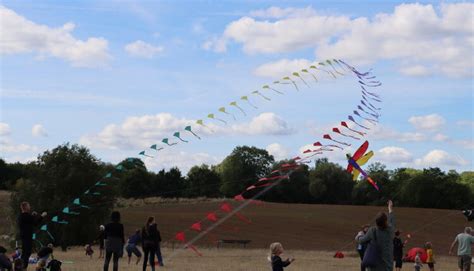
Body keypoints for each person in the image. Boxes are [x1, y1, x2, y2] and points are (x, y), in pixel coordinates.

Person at [357, 200, 395, 271]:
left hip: (374, 268)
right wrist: (390, 208)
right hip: (388, 268)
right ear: (386, 222)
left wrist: (359, 235)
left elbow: (361, 241)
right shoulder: (390, 230)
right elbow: (392, 220)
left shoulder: (372, 230)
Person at [17, 201, 47, 270]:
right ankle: (23, 268)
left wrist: (33, 216)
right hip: (27, 237)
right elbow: (35, 223)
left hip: (24, 236)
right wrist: (42, 216)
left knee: (25, 253)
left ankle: (21, 267)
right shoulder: (26, 216)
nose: (30, 207)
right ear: (26, 207)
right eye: (28, 206)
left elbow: (30, 221)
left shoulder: (22, 216)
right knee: (27, 253)